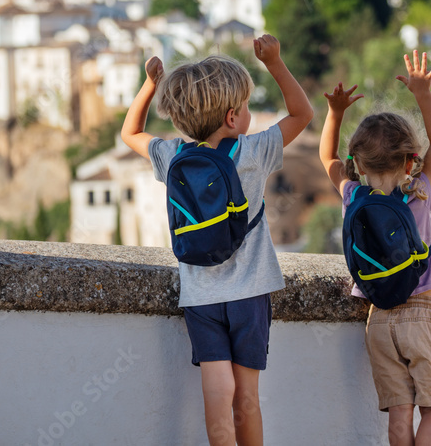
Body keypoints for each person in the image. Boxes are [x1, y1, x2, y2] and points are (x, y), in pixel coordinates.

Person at [120, 34, 312, 446]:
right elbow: (301, 113)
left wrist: (149, 85)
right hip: (250, 291)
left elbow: (130, 132)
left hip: (200, 295)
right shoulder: (253, 151)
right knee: (247, 398)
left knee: (217, 394)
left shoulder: (173, 157)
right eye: (244, 108)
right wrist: (275, 63)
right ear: (232, 117)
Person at [319, 50, 431, 446]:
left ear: (357, 164)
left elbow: (327, 157)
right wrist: (423, 93)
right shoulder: (419, 191)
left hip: (379, 320)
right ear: (412, 159)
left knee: (399, 413)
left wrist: (335, 112)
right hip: (424, 312)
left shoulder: (352, 196)